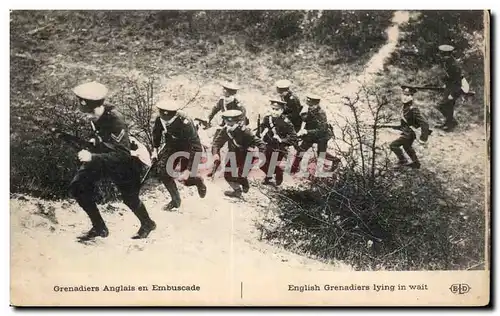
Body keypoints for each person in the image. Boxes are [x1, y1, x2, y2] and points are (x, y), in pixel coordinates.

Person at [69, 81, 156, 241]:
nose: (88, 116)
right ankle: (99, 227)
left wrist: (92, 157)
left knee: (130, 198)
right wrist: (95, 142)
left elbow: (122, 154)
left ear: (99, 107)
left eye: (90, 113)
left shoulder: (116, 121)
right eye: (86, 112)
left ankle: (147, 223)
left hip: (124, 161)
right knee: (78, 186)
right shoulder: (96, 113)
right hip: (104, 156)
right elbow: (101, 134)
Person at [151, 98, 207, 210]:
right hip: (172, 144)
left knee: (185, 178)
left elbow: (196, 146)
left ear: (175, 114)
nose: (165, 121)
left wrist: (189, 170)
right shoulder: (160, 118)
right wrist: (155, 150)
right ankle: (175, 201)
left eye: (169, 119)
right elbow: (156, 133)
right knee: (163, 172)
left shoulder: (185, 122)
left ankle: (198, 181)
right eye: (163, 116)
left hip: (188, 147)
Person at [211, 109, 266, 198]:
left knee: (242, 174)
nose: (229, 126)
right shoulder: (226, 130)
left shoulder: (245, 131)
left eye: (231, 124)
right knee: (228, 175)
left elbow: (261, 144)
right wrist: (215, 153)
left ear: (238, 122)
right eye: (227, 123)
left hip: (248, 155)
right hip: (234, 154)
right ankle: (237, 191)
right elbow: (217, 143)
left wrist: (261, 157)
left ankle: (244, 182)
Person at [291, 94, 340, 174]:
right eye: (309, 105)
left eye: (312, 106)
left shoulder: (321, 114)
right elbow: (308, 121)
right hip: (311, 134)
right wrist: (303, 115)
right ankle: (293, 169)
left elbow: (322, 130)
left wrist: (307, 132)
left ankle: (336, 160)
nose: (310, 107)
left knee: (321, 154)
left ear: (317, 104)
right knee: (301, 150)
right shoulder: (310, 109)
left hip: (322, 136)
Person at [389, 86, 431, 169]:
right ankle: (416, 163)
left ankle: (403, 160)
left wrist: (423, 138)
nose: (405, 97)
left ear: (411, 97)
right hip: (407, 132)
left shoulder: (413, 108)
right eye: (404, 94)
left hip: (409, 133)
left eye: (408, 95)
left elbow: (425, 123)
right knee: (407, 147)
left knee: (393, 145)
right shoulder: (405, 106)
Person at [259, 99, 298, 186]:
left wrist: (281, 140)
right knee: (262, 165)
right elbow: (262, 128)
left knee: (272, 164)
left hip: (280, 147)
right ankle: (272, 175)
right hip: (268, 145)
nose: (274, 111)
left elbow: (294, 137)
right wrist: (261, 133)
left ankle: (277, 174)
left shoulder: (286, 122)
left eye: (277, 110)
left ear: (282, 110)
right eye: (273, 109)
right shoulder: (267, 118)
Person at [435, 44, 469, 131]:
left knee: (444, 105)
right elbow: (450, 77)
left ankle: (450, 123)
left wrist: (453, 94)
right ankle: (449, 123)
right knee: (446, 106)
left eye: (443, 55)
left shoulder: (454, 65)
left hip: (459, 86)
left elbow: (458, 81)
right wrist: (445, 82)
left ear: (448, 55)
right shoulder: (447, 62)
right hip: (451, 85)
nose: (441, 56)